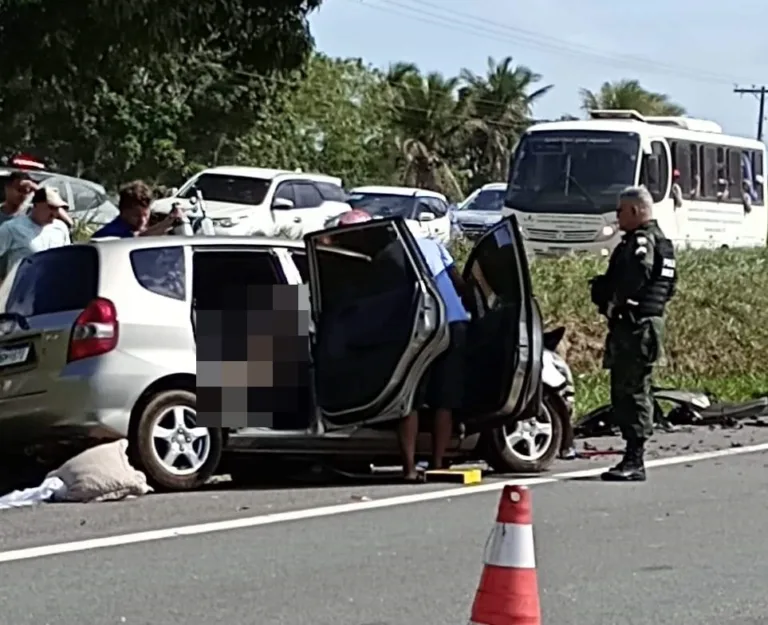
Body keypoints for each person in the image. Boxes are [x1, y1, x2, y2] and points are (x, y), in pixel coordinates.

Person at [332, 210, 470, 482]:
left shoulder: (386, 258)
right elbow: (460, 284)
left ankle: (409, 468)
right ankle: (438, 463)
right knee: (445, 401)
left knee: (409, 398)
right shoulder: (432, 246)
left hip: (420, 330)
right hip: (455, 325)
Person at [589, 185, 677, 482]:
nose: (616, 217)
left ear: (636, 211)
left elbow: (636, 276)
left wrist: (615, 302)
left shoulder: (642, 242)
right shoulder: (662, 243)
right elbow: (669, 287)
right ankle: (632, 455)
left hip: (636, 326)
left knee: (632, 390)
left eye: (620, 211)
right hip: (644, 323)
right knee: (633, 387)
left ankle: (634, 459)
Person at [0, 187, 71, 282]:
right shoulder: (12, 228)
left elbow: (66, 260)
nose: (54, 214)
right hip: (21, 290)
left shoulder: (60, 229)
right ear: (36, 205)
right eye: (51, 207)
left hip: (51, 289)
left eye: (57, 209)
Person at [92, 180, 180, 238]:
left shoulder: (139, 228)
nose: (142, 221)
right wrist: (168, 222)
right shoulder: (109, 233)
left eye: (145, 215)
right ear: (123, 212)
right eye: (136, 216)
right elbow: (139, 238)